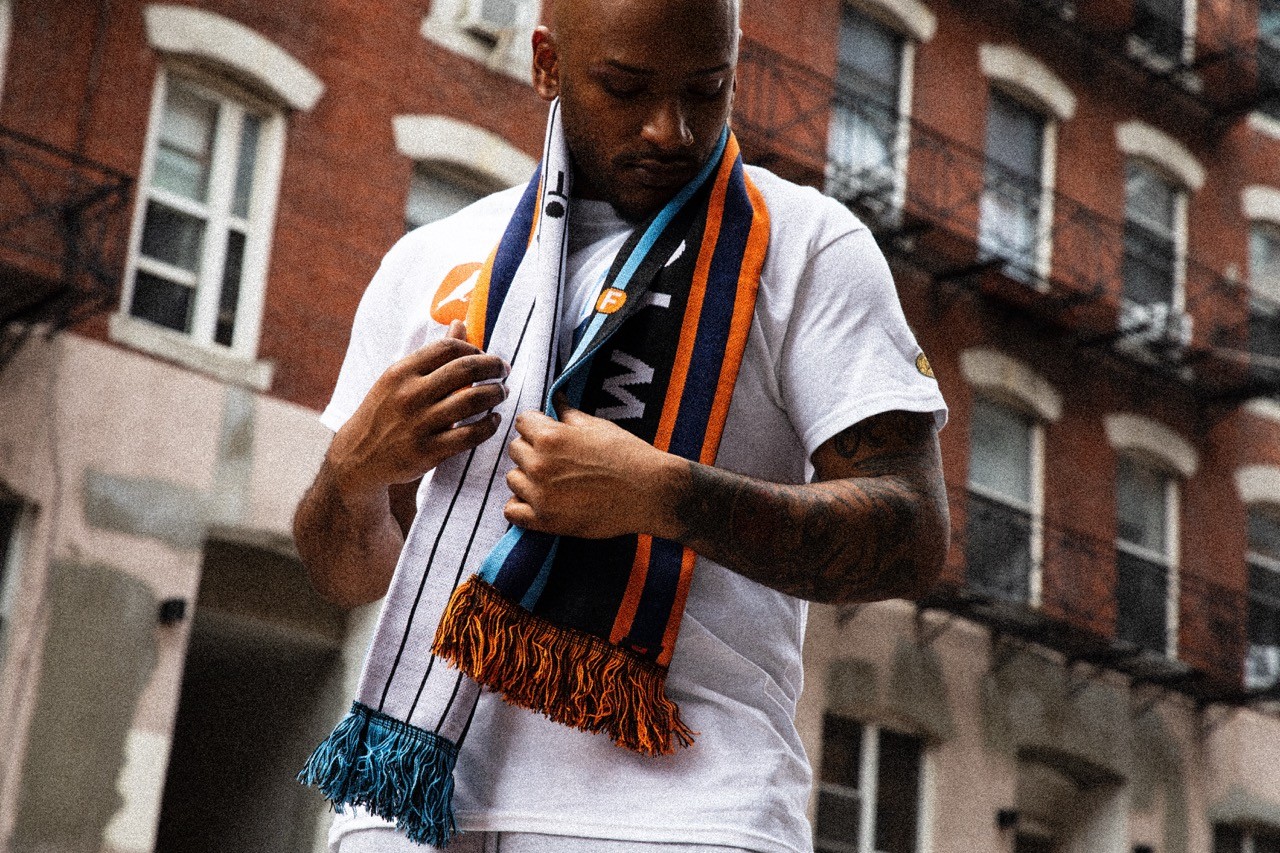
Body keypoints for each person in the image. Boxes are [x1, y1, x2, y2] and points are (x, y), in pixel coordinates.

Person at [293, 0, 949, 850]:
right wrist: (352, 469)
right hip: (407, 807)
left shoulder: (808, 245)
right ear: (545, 64)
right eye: (625, 87)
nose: (670, 129)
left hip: (682, 812)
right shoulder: (431, 258)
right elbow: (347, 574)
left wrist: (664, 494)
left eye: (706, 91)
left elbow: (913, 530)